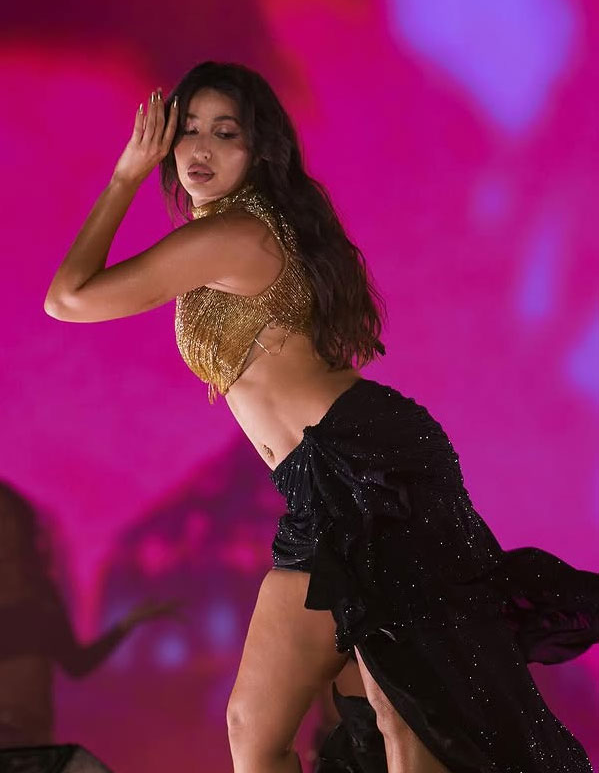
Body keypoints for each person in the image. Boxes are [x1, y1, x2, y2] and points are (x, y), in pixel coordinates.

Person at [44, 61, 599, 773]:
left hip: (366, 470)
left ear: (257, 150)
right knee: (259, 727)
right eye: (187, 131)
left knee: (410, 717)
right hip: (325, 483)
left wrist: (126, 174)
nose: (200, 149)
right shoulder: (241, 228)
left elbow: (69, 299)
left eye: (225, 133)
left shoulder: (234, 234)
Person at [0, 480, 180, 748]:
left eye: (5, 517)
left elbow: (76, 664)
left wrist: (127, 624)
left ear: (20, 522)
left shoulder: (41, 592)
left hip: (36, 742)